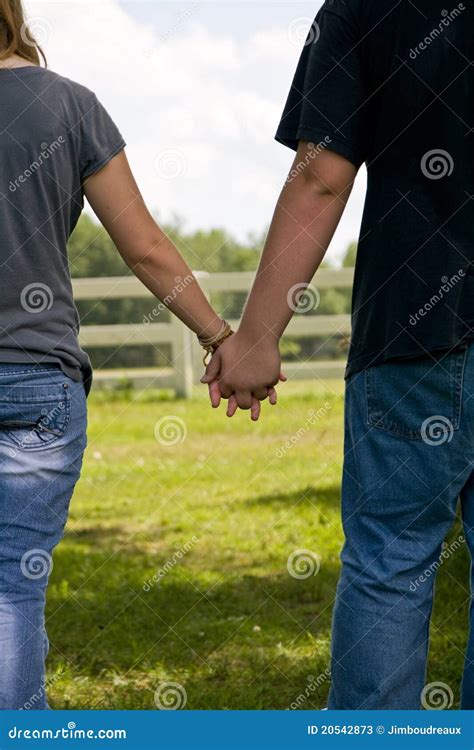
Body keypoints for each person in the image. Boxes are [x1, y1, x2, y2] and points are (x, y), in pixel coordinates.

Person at [203, 0, 474, 709]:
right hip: (412, 340)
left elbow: (322, 175)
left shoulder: (362, 6)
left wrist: (255, 338)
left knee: (390, 562)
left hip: (412, 336)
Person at [0, 0, 250, 710]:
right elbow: (143, 245)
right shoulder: (70, 107)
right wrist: (220, 337)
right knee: (12, 586)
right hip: (37, 382)